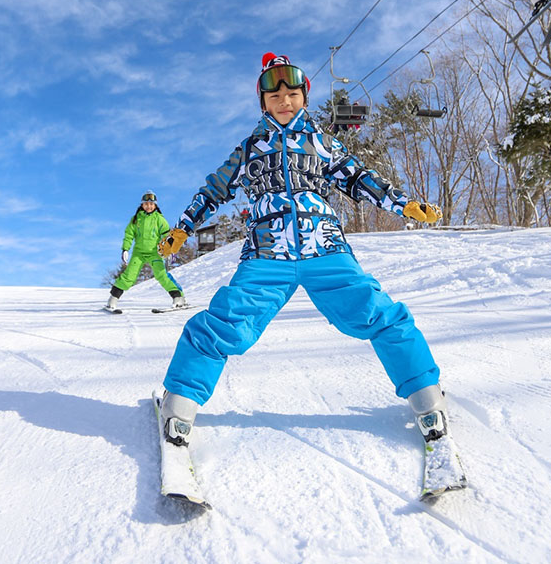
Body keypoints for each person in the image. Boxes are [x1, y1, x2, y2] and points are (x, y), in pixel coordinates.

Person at [155, 52, 457, 455]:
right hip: (267, 254)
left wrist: (403, 204)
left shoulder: (322, 143)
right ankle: (179, 402)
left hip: (325, 248)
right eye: (275, 96)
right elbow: (214, 190)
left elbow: (360, 178)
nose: (285, 101)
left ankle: (426, 395)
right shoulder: (249, 150)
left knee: (378, 313)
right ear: (263, 103)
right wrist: (183, 227)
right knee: (226, 322)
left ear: (304, 98)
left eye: (292, 94)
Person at [107, 191, 185, 311]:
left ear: (155, 205)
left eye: (151, 204)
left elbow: (167, 236)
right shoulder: (136, 219)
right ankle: (112, 299)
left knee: (161, 275)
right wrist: (125, 249)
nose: (149, 206)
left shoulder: (159, 219)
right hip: (139, 253)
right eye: (146, 204)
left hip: (155, 253)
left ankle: (178, 297)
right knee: (129, 275)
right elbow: (129, 235)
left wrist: (170, 251)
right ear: (142, 205)